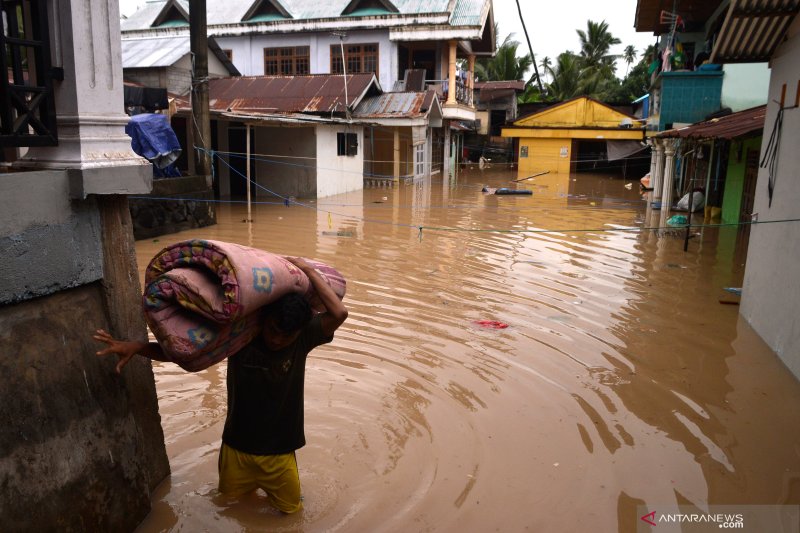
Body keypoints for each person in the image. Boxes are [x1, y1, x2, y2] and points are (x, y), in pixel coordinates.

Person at [93, 256, 348, 514]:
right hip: (235, 448)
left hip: (279, 454)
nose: (277, 339)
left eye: (286, 335)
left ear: (298, 332)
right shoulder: (240, 335)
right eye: (272, 329)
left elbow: (339, 313)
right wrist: (137, 348)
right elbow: (186, 352)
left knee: (291, 515)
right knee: (230, 508)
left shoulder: (302, 339)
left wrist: (307, 271)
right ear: (264, 320)